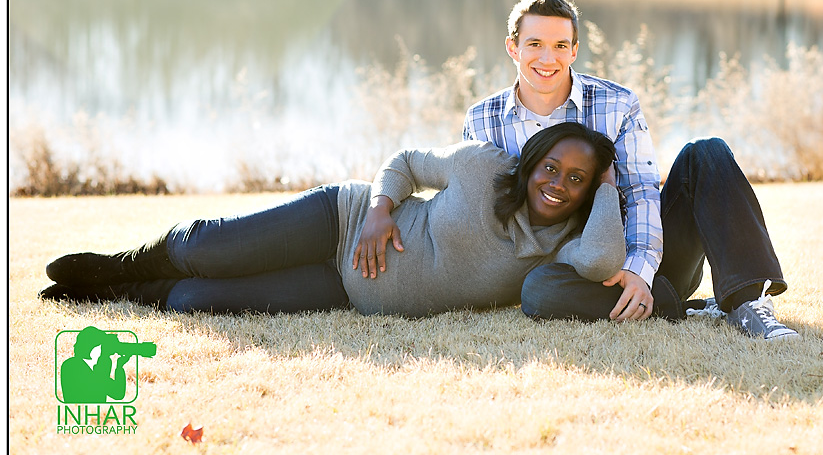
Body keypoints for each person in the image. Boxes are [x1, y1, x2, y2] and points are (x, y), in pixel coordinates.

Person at [463, 0, 798, 340]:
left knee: (706, 153)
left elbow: (641, 189)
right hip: (571, 273)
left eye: (560, 45)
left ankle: (748, 303)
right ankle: (676, 305)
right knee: (538, 291)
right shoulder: (482, 120)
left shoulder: (617, 103)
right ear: (512, 47)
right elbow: (479, 211)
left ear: (574, 50)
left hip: (650, 262)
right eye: (535, 44)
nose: (548, 58)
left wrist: (639, 270)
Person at [41, 123, 645, 319]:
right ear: (532, 160)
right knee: (207, 252)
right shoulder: (484, 166)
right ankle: (117, 266)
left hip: (346, 288)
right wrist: (380, 210)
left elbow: (600, 262)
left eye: (577, 179)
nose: (557, 184)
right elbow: (405, 162)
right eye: (551, 167)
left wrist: (609, 186)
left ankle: (120, 294)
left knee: (194, 300)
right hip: (341, 221)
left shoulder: (565, 244)